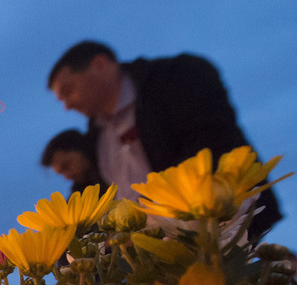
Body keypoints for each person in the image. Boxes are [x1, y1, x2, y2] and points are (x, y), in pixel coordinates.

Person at [47, 41, 282, 239]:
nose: (67, 106)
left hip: (225, 230)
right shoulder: (95, 137)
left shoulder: (177, 77)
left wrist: (158, 219)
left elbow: (212, 148)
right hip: (152, 254)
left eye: (68, 91)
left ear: (99, 65)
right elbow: (90, 194)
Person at [41, 129, 108, 193]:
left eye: (66, 166)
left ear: (79, 147)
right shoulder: (81, 191)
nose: (67, 177)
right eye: (61, 174)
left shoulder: (111, 154)